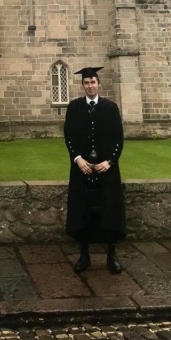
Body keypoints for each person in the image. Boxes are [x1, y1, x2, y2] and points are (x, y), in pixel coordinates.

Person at [64, 66, 126, 274]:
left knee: (109, 210)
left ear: (99, 84)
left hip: (106, 169)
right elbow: (69, 137)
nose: (90, 86)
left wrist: (110, 161)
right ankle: (84, 256)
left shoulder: (110, 107)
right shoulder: (74, 107)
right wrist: (78, 159)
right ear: (83, 85)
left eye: (93, 82)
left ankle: (111, 255)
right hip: (83, 169)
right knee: (83, 212)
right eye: (86, 83)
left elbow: (118, 138)